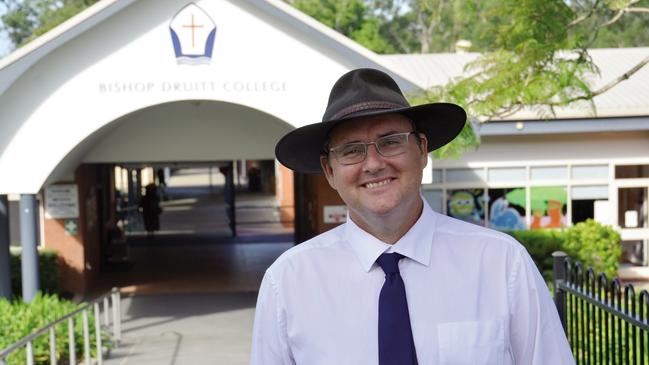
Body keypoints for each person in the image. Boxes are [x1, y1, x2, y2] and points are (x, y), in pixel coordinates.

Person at [250, 68, 574, 364]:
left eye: (390, 142)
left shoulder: (502, 264)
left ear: (422, 151)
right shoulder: (289, 282)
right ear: (329, 171)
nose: (373, 163)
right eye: (351, 150)